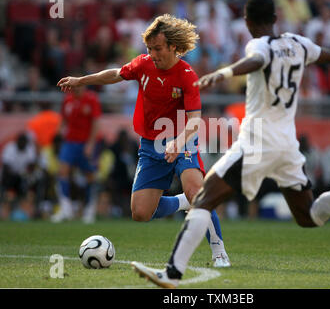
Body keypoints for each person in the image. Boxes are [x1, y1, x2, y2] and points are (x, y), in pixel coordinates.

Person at [131, 0, 330, 289]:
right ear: (275, 18)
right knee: (308, 216)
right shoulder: (298, 43)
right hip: (287, 145)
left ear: (247, 22)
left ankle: (172, 275)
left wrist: (226, 72)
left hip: (257, 141)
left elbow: (257, 60)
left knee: (203, 200)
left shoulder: (258, 45)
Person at [57, 14, 230, 267]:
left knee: (196, 192)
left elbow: (195, 120)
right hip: (150, 144)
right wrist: (82, 80)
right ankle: (182, 202)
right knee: (140, 213)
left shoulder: (186, 75)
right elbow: (115, 74)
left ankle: (218, 251)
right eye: (149, 49)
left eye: (157, 49)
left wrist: (178, 142)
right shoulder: (144, 64)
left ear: (172, 46)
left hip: (182, 140)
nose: (153, 54)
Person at [51, 83, 101, 224]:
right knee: (63, 171)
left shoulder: (91, 99)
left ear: (84, 86)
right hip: (70, 142)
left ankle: (89, 210)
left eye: (79, 86)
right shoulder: (67, 100)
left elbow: (96, 123)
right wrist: (59, 132)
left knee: (90, 176)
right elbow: (64, 120)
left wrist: (91, 144)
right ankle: (66, 209)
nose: (77, 89)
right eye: (75, 87)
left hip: (85, 143)